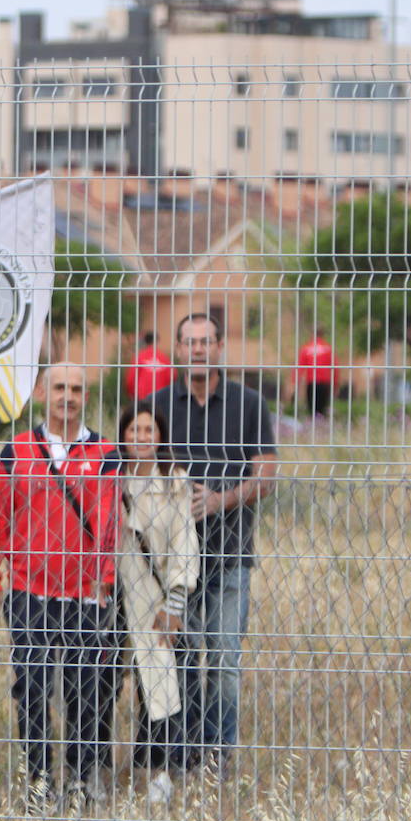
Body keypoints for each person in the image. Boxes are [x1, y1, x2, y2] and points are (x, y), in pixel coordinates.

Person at [146, 313, 277, 780]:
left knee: (223, 659)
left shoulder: (249, 404)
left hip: (230, 555)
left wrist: (222, 500)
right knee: (179, 657)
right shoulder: (157, 406)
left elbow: (266, 474)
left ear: (220, 347)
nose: (198, 349)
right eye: (189, 342)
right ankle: (182, 755)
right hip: (172, 565)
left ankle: (218, 756)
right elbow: (138, 470)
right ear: (178, 350)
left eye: (206, 341)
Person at [0, 363, 121, 811]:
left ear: (86, 396)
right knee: (32, 689)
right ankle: (40, 779)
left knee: (86, 690)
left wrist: (104, 581)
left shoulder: (105, 452)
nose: (68, 396)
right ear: (43, 392)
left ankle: (80, 780)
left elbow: (109, 523)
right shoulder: (17, 449)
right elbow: (0, 516)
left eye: (77, 389)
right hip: (30, 589)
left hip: (84, 591)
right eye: (60, 387)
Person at [114, 402, 201, 805]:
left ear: (161, 436)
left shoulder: (175, 482)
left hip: (157, 598)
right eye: (134, 429)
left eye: (149, 430)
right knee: (105, 683)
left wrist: (175, 603)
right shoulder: (112, 480)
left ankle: (161, 771)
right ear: (123, 435)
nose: (142, 437)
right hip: (113, 595)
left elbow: (185, 543)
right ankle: (97, 766)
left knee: (161, 683)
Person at [295, 327, 338, 417]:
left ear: (312, 334)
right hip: (325, 383)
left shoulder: (306, 348)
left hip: (312, 382)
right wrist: (335, 384)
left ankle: (313, 422)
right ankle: (321, 422)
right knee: (322, 410)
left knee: (312, 409)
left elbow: (299, 367)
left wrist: (295, 383)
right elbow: (335, 368)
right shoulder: (328, 348)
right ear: (322, 334)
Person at [125, 332, 174, 402]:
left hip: (142, 399)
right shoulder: (164, 358)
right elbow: (172, 378)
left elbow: (131, 380)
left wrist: (132, 395)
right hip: (161, 399)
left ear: (145, 342)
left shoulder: (139, 357)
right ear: (157, 342)